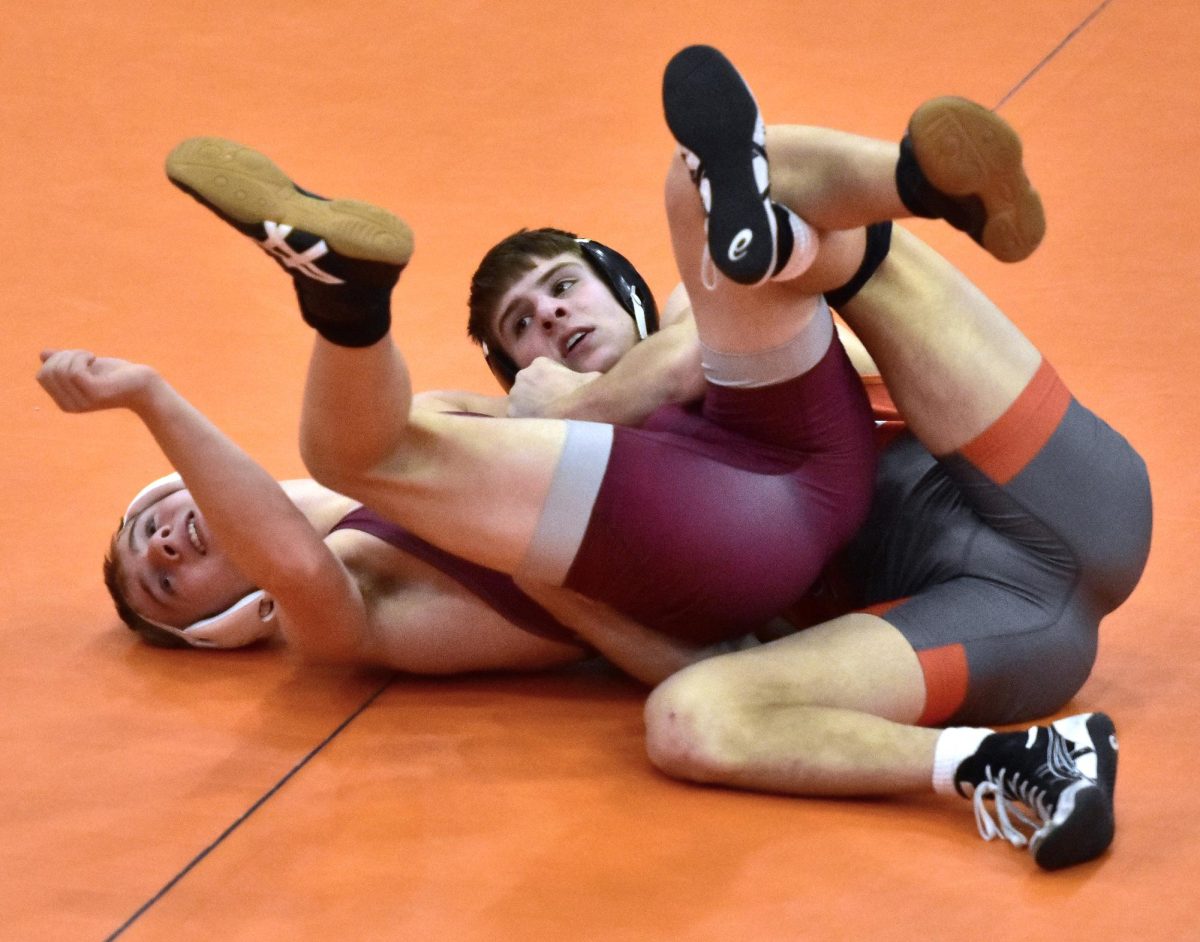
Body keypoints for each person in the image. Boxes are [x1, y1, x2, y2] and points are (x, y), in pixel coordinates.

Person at [35, 46, 1148, 870]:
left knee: (722, 212)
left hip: (1013, 475)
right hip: (961, 615)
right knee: (690, 710)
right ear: (214, 630)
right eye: (165, 575)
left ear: (611, 287)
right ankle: (1024, 763)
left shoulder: (658, 336)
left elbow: (714, 364)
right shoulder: (370, 585)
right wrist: (153, 398)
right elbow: (292, 553)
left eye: (561, 290)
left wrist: (585, 400)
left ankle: (915, 179)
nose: (170, 544)